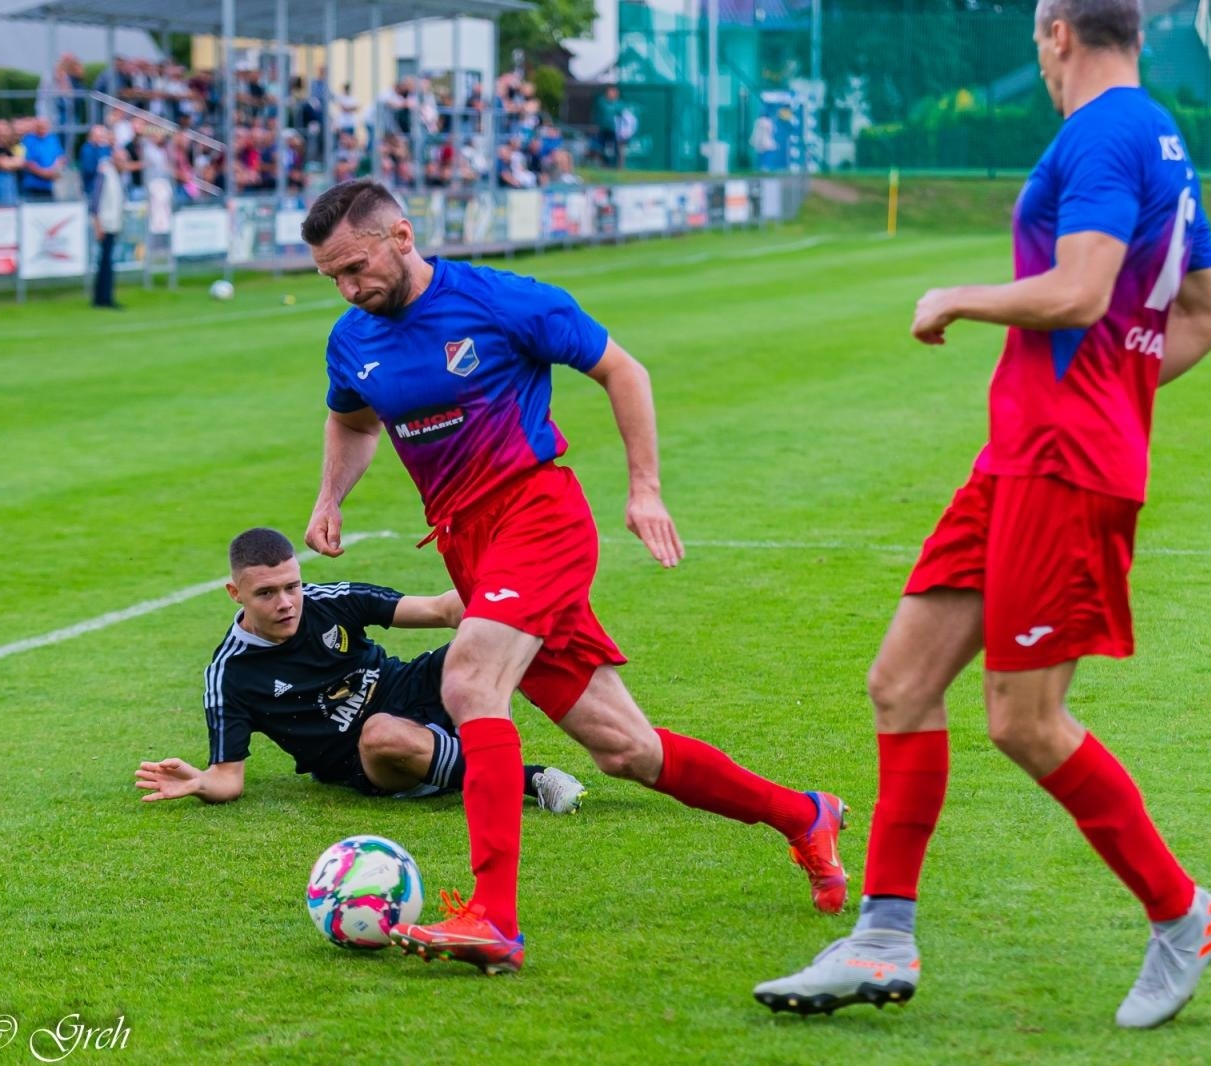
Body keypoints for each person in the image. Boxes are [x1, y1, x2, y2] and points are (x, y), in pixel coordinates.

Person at [755, 0, 1211, 1030]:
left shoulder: (1102, 132)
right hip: (1026, 458)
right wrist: (1115, 402)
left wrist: (957, 296)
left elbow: (1079, 292)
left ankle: (1181, 911)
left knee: (1024, 720)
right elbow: (1207, 318)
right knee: (901, 682)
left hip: (1062, 464)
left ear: (1057, 31)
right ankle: (881, 935)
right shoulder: (1157, 133)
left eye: (1036, 38)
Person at [298, 179, 848, 976]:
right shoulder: (353, 339)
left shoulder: (500, 301)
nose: (349, 289)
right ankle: (805, 815)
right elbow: (352, 420)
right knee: (627, 750)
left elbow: (623, 370)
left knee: (470, 681)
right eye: (333, 278)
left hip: (537, 518)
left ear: (402, 236)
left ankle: (493, 917)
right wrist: (330, 497)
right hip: (468, 546)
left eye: (356, 268)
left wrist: (644, 488)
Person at [134, 527, 588, 814]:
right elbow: (227, 778)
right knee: (381, 732)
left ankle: (603, 738)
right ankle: (531, 779)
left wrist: (518, 591)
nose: (287, 603)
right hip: (368, 755)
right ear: (235, 593)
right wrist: (200, 782)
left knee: (500, 638)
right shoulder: (230, 674)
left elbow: (441, 609)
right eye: (266, 594)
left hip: (411, 688)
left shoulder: (330, 601)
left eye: (292, 586)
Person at [89, 145, 127, 310]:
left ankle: (103, 297)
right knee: (105, 263)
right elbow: (96, 201)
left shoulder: (117, 176)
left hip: (113, 224)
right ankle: (103, 298)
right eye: (120, 160)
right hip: (105, 225)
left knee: (107, 262)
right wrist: (97, 225)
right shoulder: (105, 174)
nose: (123, 163)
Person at [18, 115, 65, 202]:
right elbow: (27, 162)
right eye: (40, 126)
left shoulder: (53, 139)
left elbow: (60, 157)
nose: (43, 129)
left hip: (50, 186)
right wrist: (45, 173)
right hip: (33, 187)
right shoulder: (28, 140)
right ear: (36, 127)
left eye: (45, 126)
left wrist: (54, 170)